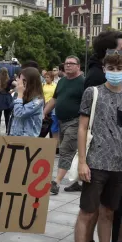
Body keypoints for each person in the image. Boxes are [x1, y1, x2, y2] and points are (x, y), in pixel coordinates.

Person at [71, 51, 122, 242]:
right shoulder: (93, 92)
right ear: (104, 67)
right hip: (95, 162)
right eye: (111, 66)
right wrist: (82, 161)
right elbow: (82, 127)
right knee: (87, 213)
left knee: (109, 213)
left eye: (119, 67)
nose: (115, 71)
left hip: (117, 166)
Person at [43, 56, 85, 195]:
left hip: (75, 121)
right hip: (61, 121)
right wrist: (44, 112)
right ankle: (77, 182)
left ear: (78, 66)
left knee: (66, 150)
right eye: (66, 63)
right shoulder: (61, 82)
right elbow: (55, 99)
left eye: (71, 64)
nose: (67, 66)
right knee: (72, 151)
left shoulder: (83, 82)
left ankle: (56, 182)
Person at [10, 67, 44, 137]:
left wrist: (19, 94)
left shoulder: (38, 100)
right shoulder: (22, 94)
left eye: (20, 79)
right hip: (15, 136)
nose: (17, 80)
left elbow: (19, 113)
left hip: (28, 138)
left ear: (28, 82)